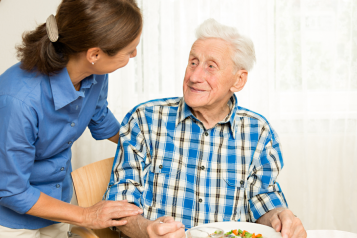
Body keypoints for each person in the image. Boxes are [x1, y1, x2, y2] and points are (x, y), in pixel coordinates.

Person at [105, 19, 307, 238]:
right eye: (193, 62)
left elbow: (263, 199)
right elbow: (120, 204)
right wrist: (147, 230)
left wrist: (280, 217)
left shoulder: (258, 133)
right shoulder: (144, 120)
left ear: (238, 80)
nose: (194, 76)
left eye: (210, 66)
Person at [0, 0, 144, 237]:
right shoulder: (18, 101)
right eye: (130, 50)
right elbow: (12, 191)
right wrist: (87, 215)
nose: (134, 54)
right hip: (10, 221)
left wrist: (142, 144)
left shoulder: (95, 74)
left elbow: (98, 116)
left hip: (58, 203)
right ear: (94, 54)